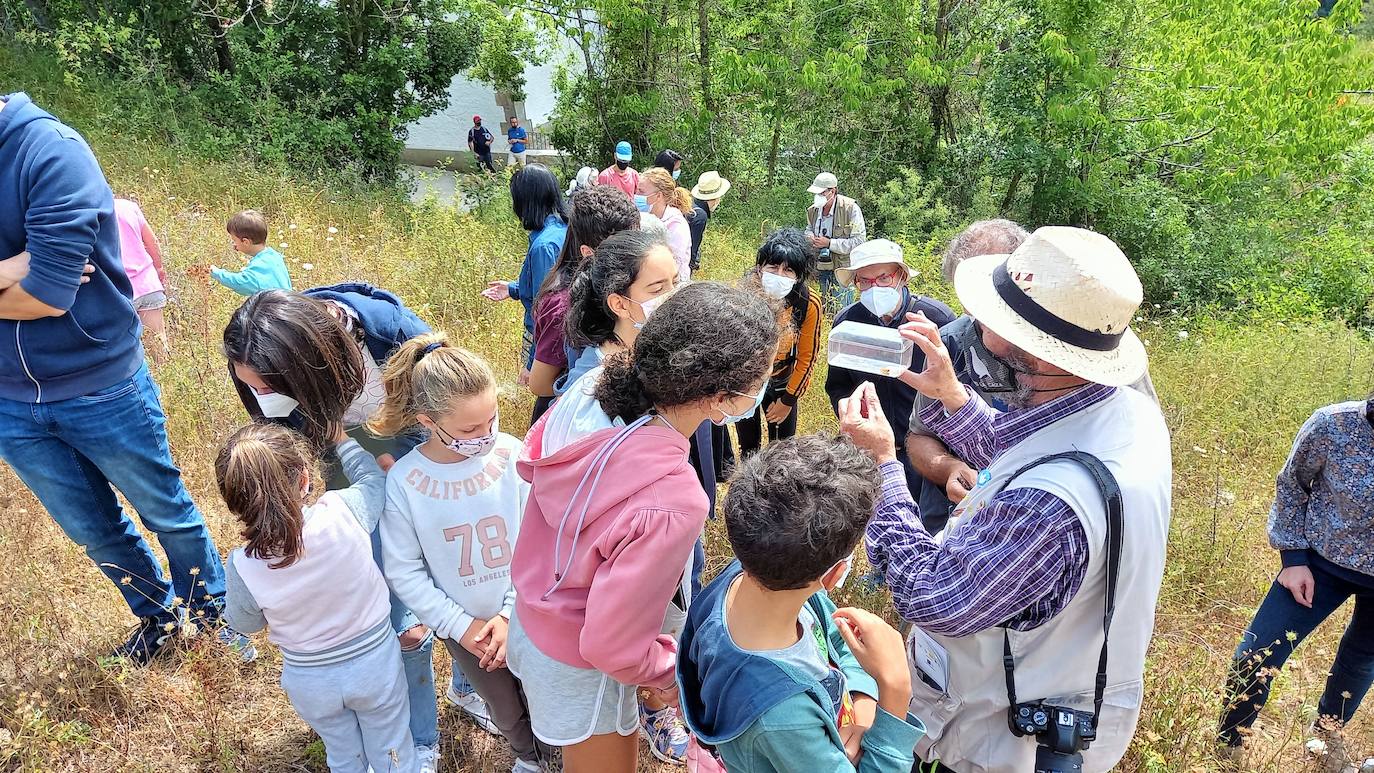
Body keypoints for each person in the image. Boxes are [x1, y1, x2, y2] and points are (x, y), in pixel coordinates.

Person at [842, 226, 1172, 773]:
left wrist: (882, 465)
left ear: (1033, 355)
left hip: (997, 737)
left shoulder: (1049, 509)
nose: (975, 325)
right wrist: (953, 396)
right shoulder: (1122, 411)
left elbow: (934, 598)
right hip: (1052, 688)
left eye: (993, 317)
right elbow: (1030, 443)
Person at [0, 91, 242, 665]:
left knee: (164, 510)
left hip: (100, 382)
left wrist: (29, 273)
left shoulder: (49, 152)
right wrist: (13, 266)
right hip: (9, 398)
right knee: (94, 529)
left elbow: (49, 294)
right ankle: (157, 618)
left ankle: (211, 615)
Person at [507, 280, 780, 773]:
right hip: (582, 665)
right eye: (761, 376)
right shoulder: (674, 500)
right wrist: (669, 671)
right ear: (719, 397)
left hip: (534, 617)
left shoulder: (592, 395)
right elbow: (611, 646)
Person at [221, 287, 488, 772]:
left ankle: (468, 684)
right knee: (404, 620)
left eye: (269, 387)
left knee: (452, 568)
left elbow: (453, 416)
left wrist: (404, 468)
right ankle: (416, 738)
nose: (262, 399)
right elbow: (295, 448)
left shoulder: (389, 335)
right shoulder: (269, 364)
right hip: (348, 467)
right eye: (252, 388)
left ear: (313, 369)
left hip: (407, 448)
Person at [679, 435, 924, 773]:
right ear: (835, 574)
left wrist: (864, 695)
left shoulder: (751, 570)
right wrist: (894, 693)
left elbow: (834, 634)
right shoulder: (783, 720)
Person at [371, 334, 554, 773]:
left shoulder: (512, 454)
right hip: (465, 631)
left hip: (529, 614)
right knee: (506, 711)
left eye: (491, 419)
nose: (485, 435)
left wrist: (510, 614)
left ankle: (555, 759)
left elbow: (539, 538)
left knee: (544, 699)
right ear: (428, 421)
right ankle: (528, 760)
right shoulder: (406, 482)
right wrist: (463, 627)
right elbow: (405, 571)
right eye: (470, 430)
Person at [220, 423, 417, 773]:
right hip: (375, 665)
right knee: (393, 751)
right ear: (305, 479)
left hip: (310, 681)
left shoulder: (242, 565)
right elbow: (374, 482)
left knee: (343, 757)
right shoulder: (343, 510)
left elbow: (245, 623)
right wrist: (343, 442)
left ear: (234, 502)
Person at [1217, 399, 1374, 766]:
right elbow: (1291, 485)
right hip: (1317, 565)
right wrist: (1293, 558)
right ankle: (1229, 747)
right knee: (1255, 655)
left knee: (1361, 660)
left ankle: (1325, 738)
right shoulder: (1334, 425)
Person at [824, 239, 955, 531]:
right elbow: (838, 384)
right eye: (865, 281)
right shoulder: (849, 321)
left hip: (927, 447)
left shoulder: (935, 320)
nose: (875, 288)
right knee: (880, 515)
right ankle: (880, 570)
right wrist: (847, 410)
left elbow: (958, 389)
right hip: (874, 448)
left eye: (884, 277)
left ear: (902, 276)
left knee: (927, 520)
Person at [532, 185, 640, 406]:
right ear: (588, 252)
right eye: (623, 250)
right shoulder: (563, 305)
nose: (637, 254)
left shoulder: (625, 287)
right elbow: (540, 384)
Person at [736, 228, 823, 458]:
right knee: (748, 447)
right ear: (759, 268)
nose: (779, 275)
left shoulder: (807, 303)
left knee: (782, 450)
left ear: (799, 276)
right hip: (747, 380)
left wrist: (787, 400)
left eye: (788, 270)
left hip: (783, 380)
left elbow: (808, 357)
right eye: (773, 268)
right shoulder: (743, 295)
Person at [481, 163, 569, 382]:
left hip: (547, 344)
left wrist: (532, 365)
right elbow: (554, 285)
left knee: (542, 397)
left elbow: (546, 311)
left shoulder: (544, 246)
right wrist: (513, 289)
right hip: (566, 336)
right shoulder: (562, 228)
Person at [113, 196, 170, 361]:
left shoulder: (89, 212)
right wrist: (158, 268)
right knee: (159, 345)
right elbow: (152, 241)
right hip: (147, 284)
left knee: (125, 352)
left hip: (117, 290)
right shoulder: (129, 206)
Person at [805, 172, 866, 313]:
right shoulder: (812, 210)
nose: (817, 197)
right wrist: (810, 237)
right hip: (820, 267)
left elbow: (859, 241)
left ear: (832, 191)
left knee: (843, 311)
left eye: (821, 193)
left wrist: (829, 243)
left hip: (842, 269)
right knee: (823, 309)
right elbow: (808, 229)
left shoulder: (850, 208)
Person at [211, 209, 292, 296]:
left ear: (246, 242)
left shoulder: (258, 267)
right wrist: (240, 246)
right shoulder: (273, 255)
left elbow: (240, 283)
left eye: (234, 240)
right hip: (290, 305)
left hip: (275, 308)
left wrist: (215, 272)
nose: (234, 244)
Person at [637, 167, 693, 280]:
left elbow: (673, 265)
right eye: (636, 190)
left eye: (641, 191)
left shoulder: (676, 225)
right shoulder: (640, 217)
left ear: (658, 196)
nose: (636, 195)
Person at [686, 171, 730, 273]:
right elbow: (692, 245)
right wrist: (691, 267)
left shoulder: (691, 204)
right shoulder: (700, 215)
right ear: (716, 197)